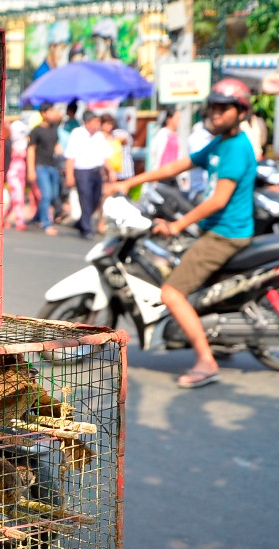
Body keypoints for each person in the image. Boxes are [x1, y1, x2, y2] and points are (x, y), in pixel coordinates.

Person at [106, 78, 256, 388]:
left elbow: (218, 200)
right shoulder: (220, 143)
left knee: (171, 292)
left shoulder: (237, 148)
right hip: (215, 229)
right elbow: (175, 167)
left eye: (223, 108)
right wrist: (130, 182)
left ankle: (206, 361)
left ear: (240, 113)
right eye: (212, 107)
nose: (215, 113)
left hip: (224, 234)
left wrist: (176, 225)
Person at [64, 110, 115, 239]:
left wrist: (111, 170)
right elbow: (70, 157)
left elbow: (105, 156)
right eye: (96, 121)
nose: (98, 124)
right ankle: (86, 229)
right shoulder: (77, 134)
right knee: (85, 198)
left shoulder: (99, 136)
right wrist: (69, 175)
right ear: (87, 122)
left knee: (96, 198)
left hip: (97, 171)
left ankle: (82, 222)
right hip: (83, 172)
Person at [27, 103, 62, 235]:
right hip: (41, 166)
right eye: (51, 111)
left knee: (53, 195)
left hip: (53, 166)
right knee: (46, 195)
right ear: (43, 113)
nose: (54, 113)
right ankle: (46, 223)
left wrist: (58, 148)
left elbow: (56, 142)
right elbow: (31, 150)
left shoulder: (54, 128)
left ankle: (36, 218)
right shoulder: (36, 130)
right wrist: (30, 170)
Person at [4, 119, 30, 230]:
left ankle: (3, 219)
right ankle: (20, 220)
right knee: (18, 196)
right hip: (12, 173)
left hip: (22, 173)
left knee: (17, 197)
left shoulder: (25, 144)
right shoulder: (8, 143)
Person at [148, 108, 180, 175]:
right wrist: (155, 173)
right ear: (169, 119)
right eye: (177, 118)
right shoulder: (163, 134)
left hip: (174, 174)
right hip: (162, 173)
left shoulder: (176, 136)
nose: (179, 121)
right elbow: (157, 154)